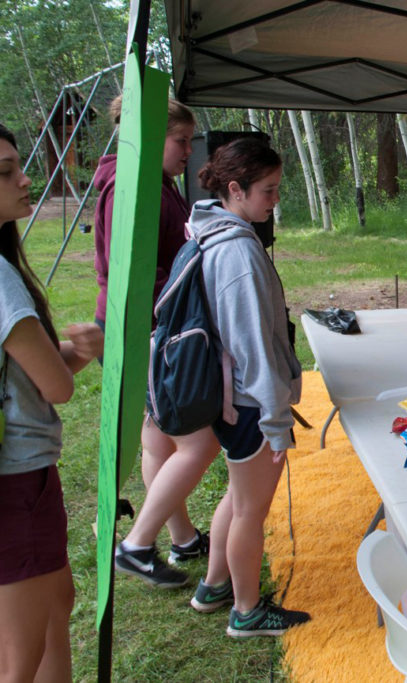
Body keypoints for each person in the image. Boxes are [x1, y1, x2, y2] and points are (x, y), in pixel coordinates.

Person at [182, 137, 309, 637]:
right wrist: (277, 421)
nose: (274, 199)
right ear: (235, 189)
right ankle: (247, 611)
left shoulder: (213, 232)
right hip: (253, 402)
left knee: (237, 500)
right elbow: (253, 344)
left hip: (234, 398)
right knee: (250, 512)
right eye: (268, 190)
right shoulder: (238, 251)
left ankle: (215, 586)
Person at [95, 96, 217, 577]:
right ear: (148, 139)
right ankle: (137, 544)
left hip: (147, 329)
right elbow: (133, 273)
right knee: (198, 444)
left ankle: (182, 539)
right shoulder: (131, 187)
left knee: (159, 442)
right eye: (180, 140)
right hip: (147, 331)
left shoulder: (153, 182)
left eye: (189, 140)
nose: (189, 150)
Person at [0, 124, 103, 681]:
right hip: (16, 480)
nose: (24, 177)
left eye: (17, 164)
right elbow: (54, 385)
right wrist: (85, 352)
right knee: (20, 654)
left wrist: (77, 349)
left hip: (22, 475)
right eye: (5, 171)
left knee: (55, 607)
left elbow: (26, 363)